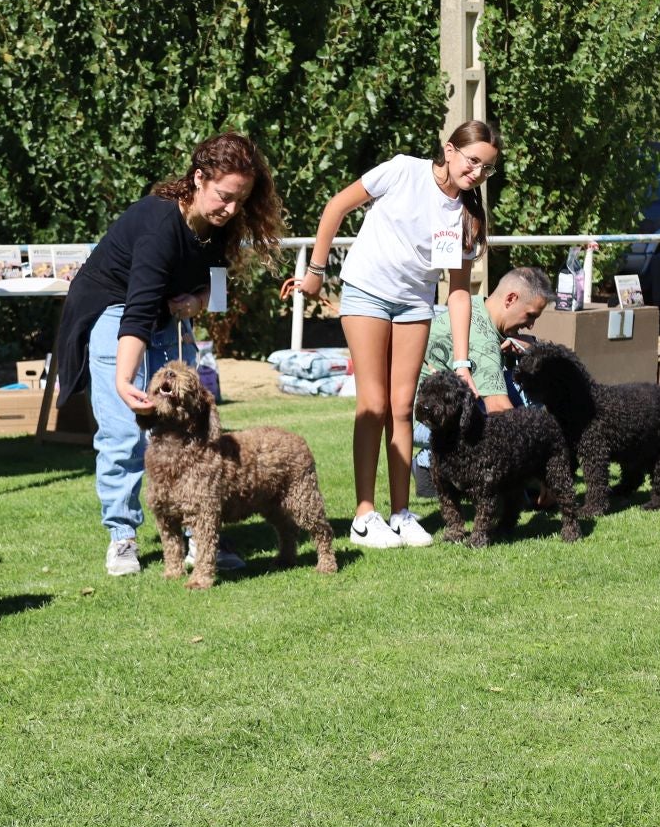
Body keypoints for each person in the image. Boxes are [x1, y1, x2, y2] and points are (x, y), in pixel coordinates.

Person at [52, 132, 282, 576]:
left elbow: (217, 285)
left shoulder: (219, 225)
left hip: (165, 315)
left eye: (241, 200)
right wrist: (124, 381)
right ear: (198, 178)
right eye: (224, 196)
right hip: (113, 312)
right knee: (125, 433)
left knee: (189, 425)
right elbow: (136, 312)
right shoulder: (159, 225)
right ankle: (122, 536)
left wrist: (198, 300)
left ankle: (201, 531)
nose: (231, 209)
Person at [297, 121, 502, 549]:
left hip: (414, 306)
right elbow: (336, 206)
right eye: (473, 161)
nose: (478, 173)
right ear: (450, 150)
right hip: (367, 294)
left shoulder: (466, 216)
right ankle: (363, 517)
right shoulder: (402, 170)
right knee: (373, 404)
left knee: (403, 407)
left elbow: (458, 292)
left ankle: (401, 514)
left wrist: (462, 362)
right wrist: (315, 271)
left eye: (487, 168)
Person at [414, 265, 553, 498]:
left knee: (530, 381)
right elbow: (501, 412)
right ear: (511, 299)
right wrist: (545, 468)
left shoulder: (478, 306)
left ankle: (432, 461)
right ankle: (430, 462)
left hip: (424, 411)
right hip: (422, 421)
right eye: (530, 315)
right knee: (515, 414)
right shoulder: (483, 341)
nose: (530, 325)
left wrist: (531, 345)